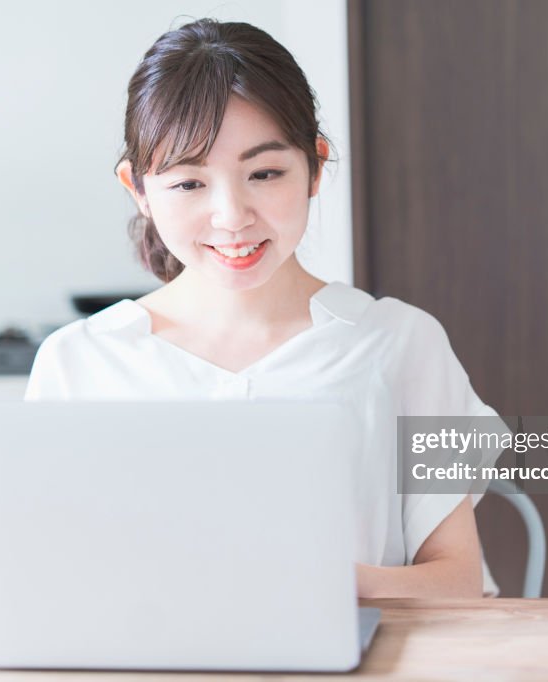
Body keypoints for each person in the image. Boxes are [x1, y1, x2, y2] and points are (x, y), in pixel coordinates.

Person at [25, 18, 502, 598]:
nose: (231, 216)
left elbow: (458, 581)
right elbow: (47, 583)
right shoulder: (79, 363)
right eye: (188, 184)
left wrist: (315, 585)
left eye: (265, 173)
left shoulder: (405, 343)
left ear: (315, 167)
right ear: (138, 189)